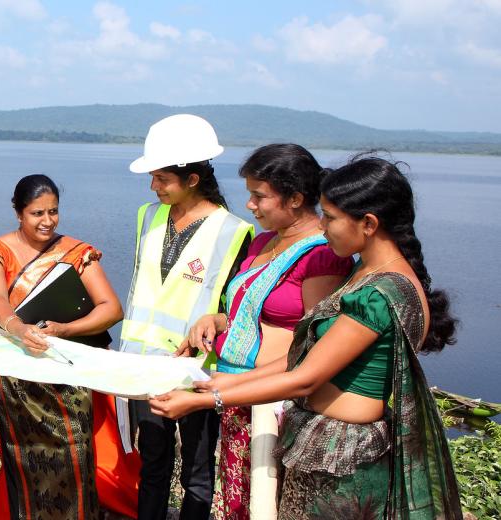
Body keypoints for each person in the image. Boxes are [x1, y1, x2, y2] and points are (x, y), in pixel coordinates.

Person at [150, 155, 463, 519]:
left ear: (369, 223)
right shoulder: (367, 276)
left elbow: (306, 377)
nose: (323, 228)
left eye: (330, 218)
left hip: (344, 454)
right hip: (328, 444)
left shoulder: (378, 295)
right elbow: (307, 356)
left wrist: (208, 399)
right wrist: (225, 383)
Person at [173, 144, 352, 520]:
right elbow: (250, 311)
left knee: (269, 500)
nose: (250, 205)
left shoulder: (322, 254)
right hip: (236, 394)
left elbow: (314, 343)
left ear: (296, 199)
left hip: (277, 402)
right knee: (239, 496)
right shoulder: (263, 242)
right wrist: (215, 320)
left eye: (259, 196)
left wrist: (235, 386)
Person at [0, 174, 138, 519]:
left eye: (53, 212)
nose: (47, 221)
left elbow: (111, 308)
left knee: (75, 453)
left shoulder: (77, 253)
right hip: (20, 377)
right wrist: (18, 328)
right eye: (37, 213)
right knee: (24, 453)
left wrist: (65, 328)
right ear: (18, 212)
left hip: (68, 374)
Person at [119, 114, 254, 520]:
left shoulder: (234, 231)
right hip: (144, 365)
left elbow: (237, 308)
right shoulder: (148, 216)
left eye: (162, 178)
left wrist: (216, 322)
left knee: (197, 472)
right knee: (153, 464)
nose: (153, 186)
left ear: (192, 179)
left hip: (197, 371)